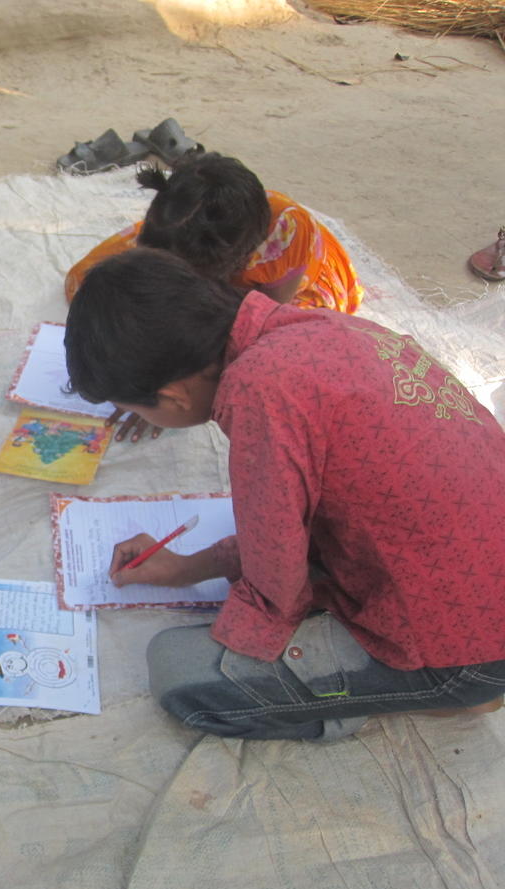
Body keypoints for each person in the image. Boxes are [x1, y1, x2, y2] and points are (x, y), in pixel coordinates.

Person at [63, 248, 505, 741]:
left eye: (136, 409)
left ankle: (450, 686)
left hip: (472, 644)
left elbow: (277, 585)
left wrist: (251, 634)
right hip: (474, 581)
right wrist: (186, 568)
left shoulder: (259, 393)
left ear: (173, 396)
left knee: (180, 672)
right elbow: (289, 526)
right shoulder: (313, 327)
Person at [66, 153, 365, 442]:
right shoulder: (176, 226)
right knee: (95, 280)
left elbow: (268, 318)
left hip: (275, 289)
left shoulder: (287, 233)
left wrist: (148, 387)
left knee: (299, 340)